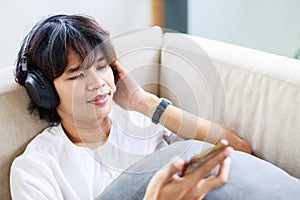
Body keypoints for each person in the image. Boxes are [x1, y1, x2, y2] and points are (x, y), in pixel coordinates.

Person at [10, 14, 249, 199]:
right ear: (44, 91)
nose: (98, 83)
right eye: (77, 75)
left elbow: (238, 149)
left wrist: (145, 103)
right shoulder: (36, 169)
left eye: (102, 66)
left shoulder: (144, 120)